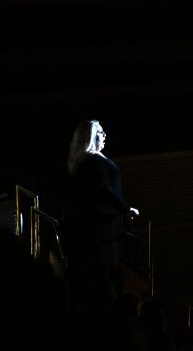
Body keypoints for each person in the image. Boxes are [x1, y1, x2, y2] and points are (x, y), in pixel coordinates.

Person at [64, 120, 139, 295]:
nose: (105, 135)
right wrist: (127, 209)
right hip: (102, 227)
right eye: (100, 132)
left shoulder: (90, 160)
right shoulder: (92, 161)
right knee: (103, 269)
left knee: (104, 268)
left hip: (104, 225)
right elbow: (104, 190)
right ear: (90, 137)